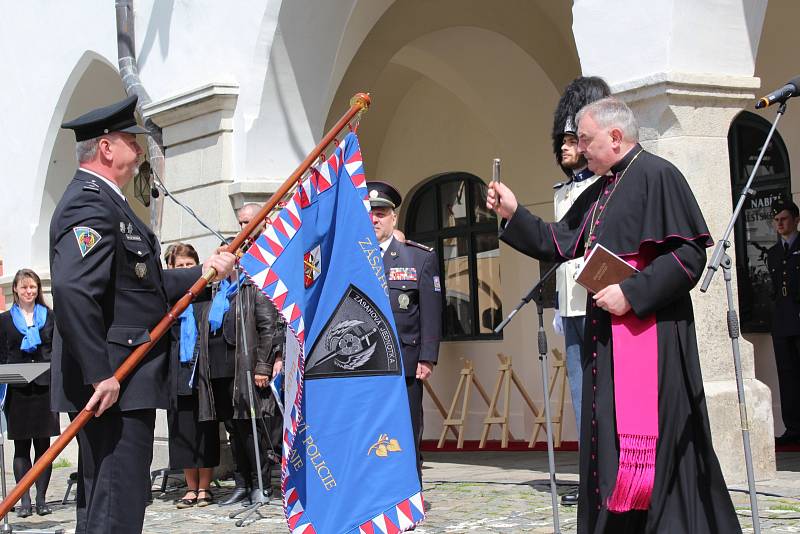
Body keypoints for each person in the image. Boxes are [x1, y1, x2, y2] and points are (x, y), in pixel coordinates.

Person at [486, 97, 741, 533]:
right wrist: (513, 213)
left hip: (652, 339)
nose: (579, 149)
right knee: (607, 438)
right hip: (606, 340)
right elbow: (560, 242)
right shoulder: (601, 190)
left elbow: (688, 256)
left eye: (585, 140)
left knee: (657, 446)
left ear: (616, 137)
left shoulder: (659, 175)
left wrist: (632, 293)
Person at [51, 94, 236, 534]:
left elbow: (143, 286)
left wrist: (204, 271)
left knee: (113, 500)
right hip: (114, 382)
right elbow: (73, 290)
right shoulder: (88, 203)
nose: (139, 147)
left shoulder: (110, 205)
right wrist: (100, 374)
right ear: (106, 148)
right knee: (116, 501)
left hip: (122, 381)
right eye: (130, 138)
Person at [550, 76, 611, 506]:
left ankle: (606, 473)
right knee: (578, 394)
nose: (566, 148)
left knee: (601, 391)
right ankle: (589, 477)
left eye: (573, 139)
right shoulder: (562, 192)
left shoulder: (601, 186)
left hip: (597, 299)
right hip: (569, 303)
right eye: (564, 140)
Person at [194, 234, 280, 507]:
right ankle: (241, 484)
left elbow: (269, 328)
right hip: (220, 371)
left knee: (251, 429)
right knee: (233, 430)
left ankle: (261, 485)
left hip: (245, 369)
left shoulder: (254, 288)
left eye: (227, 254)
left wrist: (263, 366)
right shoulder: (216, 291)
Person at [367, 181, 442, 481]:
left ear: (393, 217)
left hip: (405, 359)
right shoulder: (352, 258)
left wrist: (428, 356)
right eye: (369, 214)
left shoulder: (418, 257)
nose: (374, 219)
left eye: (381, 213)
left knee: (407, 428)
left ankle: (409, 491)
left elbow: (432, 312)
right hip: (365, 363)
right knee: (371, 432)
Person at [164, 243, 221, 509]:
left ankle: (205, 487)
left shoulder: (209, 294)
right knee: (182, 429)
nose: (186, 270)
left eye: (190, 265)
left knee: (205, 429)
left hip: (203, 368)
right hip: (177, 369)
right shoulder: (167, 300)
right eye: (180, 266)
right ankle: (189, 487)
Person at [0, 269, 60, 517]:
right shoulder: (4, 320)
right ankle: (24, 500)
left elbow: (56, 350)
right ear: (15, 289)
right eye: (24, 287)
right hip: (17, 389)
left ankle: (42, 499)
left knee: (43, 447)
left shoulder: (50, 316)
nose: (29, 291)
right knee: (22, 448)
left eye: (33, 287)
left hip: (45, 387)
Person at [767, 200, 800, 445]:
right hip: (783, 321)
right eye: (776, 220)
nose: (779, 224)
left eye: (784, 219)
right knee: (787, 377)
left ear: (796, 220)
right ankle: (793, 427)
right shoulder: (774, 253)